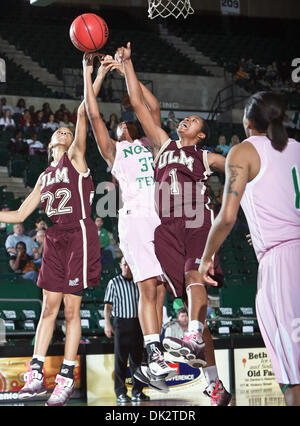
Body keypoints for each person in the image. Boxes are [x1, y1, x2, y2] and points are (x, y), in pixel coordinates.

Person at [116, 41, 231, 406]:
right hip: (167, 229)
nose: (186, 121)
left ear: (200, 135)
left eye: (194, 121)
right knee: (189, 301)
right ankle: (215, 386)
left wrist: (237, 191)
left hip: (197, 218)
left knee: (195, 277)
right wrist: (128, 66)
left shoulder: (203, 154)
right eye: (186, 118)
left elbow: (237, 168)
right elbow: (140, 105)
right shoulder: (164, 145)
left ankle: (193, 334)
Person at [0, 54, 103, 407]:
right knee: (48, 309)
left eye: (68, 131)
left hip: (79, 233)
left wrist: (91, 71)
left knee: (72, 312)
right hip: (56, 238)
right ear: (49, 145)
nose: (64, 130)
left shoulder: (75, 158)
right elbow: (18, 216)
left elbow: (81, 113)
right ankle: (35, 373)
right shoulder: (44, 177)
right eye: (59, 132)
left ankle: (65, 377)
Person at [198, 91, 300, 407]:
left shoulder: (242, 151)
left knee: (293, 374)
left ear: (247, 121)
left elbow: (227, 216)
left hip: (281, 264)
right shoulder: (297, 148)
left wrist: (206, 258)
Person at [83, 53, 176, 391]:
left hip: (160, 218)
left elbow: (151, 108)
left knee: (162, 286)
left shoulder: (151, 145)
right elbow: (93, 114)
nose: (120, 124)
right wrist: (90, 72)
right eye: (118, 125)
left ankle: (156, 351)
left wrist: (127, 68)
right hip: (135, 218)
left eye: (124, 123)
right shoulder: (115, 152)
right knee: (147, 285)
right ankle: (152, 350)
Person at [104, 257, 150, 403]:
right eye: (125, 265)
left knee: (137, 360)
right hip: (121, 324)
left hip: (137, 323)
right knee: (121, 361)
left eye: (129, 265)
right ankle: (120, 393)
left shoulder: (138, 282)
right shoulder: (114, 282)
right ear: (120, 266)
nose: (127, 268)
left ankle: (137, 391)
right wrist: (107, 324)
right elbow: (108, 306)